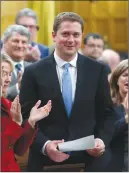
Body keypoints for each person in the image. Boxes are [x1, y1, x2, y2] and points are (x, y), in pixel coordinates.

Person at [20, 12, 116, 172]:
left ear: (81, 36)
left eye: (76, 35)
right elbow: (24, 117)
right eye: (65, 34)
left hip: (90, 160)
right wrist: (45, 145)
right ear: (53, 36)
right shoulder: (33, 72)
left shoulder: (98, 70)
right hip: (45, 160)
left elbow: (107, 113)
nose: (71, 40)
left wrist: (101, 140)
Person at [1, 54, 52, 172]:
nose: (8, 80)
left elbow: (19, 149)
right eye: (4, 74)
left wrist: (31, 122)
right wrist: (16, 123)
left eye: (10, 74)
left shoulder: (9, 105)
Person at [108, 59, 128, 172]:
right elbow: (107, 135)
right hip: (117, 163)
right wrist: (127, 118)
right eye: (125, 75)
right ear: (116, 80)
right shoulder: (109, 105)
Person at [1, 25, 32, 101]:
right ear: (4, 42)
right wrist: (18, 87)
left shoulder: (33, 67)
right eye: (15, 41)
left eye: (24, 42)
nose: (20, 45)